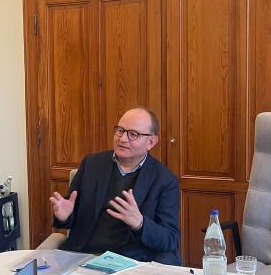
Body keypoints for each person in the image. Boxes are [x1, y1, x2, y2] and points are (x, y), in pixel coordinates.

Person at [50, 107, 180, 265]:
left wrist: (140, 223)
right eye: (120, 131)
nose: (123, 139)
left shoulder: (165, 180)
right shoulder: (91, 164)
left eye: (133, 134)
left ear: (151, 142)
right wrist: (65, 216)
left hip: (131, 263)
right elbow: (72, 212)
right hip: (85, 255)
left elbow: (170, 239)